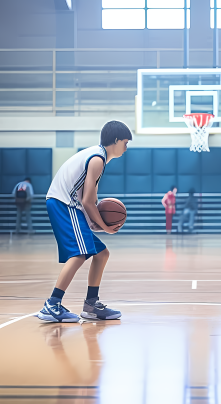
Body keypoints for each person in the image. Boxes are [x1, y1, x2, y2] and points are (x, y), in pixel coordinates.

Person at [36, 120, 131, 323]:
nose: (126, 147)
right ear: (115, 141)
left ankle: (91, 305)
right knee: (79, 254)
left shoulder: (98, 157)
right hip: (63, 203)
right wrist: (105, 226)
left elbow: (89, 198)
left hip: (68, 204)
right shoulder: (97, 159)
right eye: (125, 142)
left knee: (101, 253)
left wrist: (91, 221)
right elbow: (87, 201)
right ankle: (52, 304)